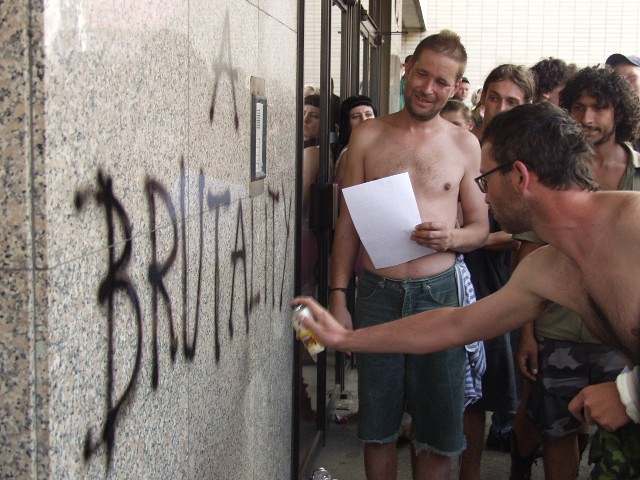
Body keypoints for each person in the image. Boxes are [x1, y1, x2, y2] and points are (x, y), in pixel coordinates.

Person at [296, 102, 640, 478]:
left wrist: (628, 395)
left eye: (485, 179)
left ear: (520, 177)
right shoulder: (548, 268)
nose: (484, 196)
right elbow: (454, 325)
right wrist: (346, 338)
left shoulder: (632, 226)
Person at [329, 30, 489, 480]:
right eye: (422, 74)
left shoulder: (464, 145)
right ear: (407, 69)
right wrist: (339, 296)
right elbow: (348, 224)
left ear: (457, 88)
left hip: (440, 295)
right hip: (376, 294)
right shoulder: (367, 136)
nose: (428, 88)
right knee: (377, 425)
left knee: (438, 428)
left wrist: (451, 238)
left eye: (442, 81)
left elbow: (481, 228)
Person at [510, 66, 640, 480]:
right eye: (578, 108)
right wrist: (528, 333)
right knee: (557, 430)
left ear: (618, 112)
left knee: (619, 439)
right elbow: (530, 249)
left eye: (598, 108)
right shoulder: (555, 170)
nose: (587, 118)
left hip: (622, 336)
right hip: (559, 326)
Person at [458, 64, 534, 480]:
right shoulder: (462, 142)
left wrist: (470, 236)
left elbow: (527, 231)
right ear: (480, 98)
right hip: (452, 272)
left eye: (512, 101)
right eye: (494, 97)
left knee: (486, 392)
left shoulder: (530, 152)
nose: (500, 107)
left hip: (500, 280)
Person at [334, 95, 377, 185]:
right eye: (356, 116)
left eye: (368, 114)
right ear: (347, 123)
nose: (364, 119)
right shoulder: (350, 153)